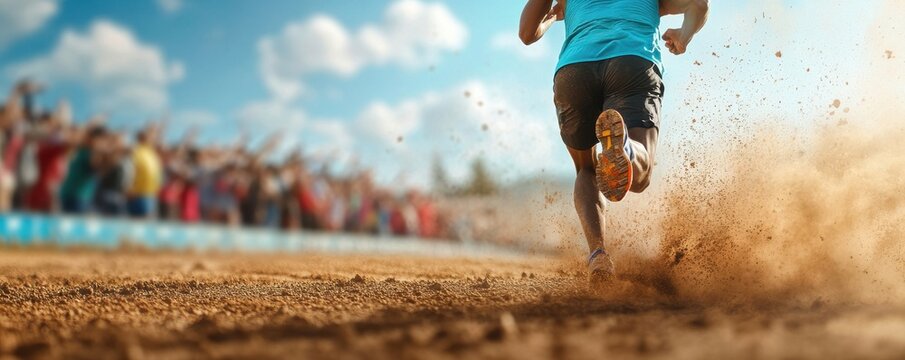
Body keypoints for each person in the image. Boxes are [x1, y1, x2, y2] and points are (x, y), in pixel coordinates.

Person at [519, 0, 709, 282]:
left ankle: (598, 256)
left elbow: (526, 34)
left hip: (574, 71)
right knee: (640, 178)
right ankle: (627, 149)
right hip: (632, 62)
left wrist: (556, 15)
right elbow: (699, 3)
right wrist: (683, 36)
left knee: (586, 169)